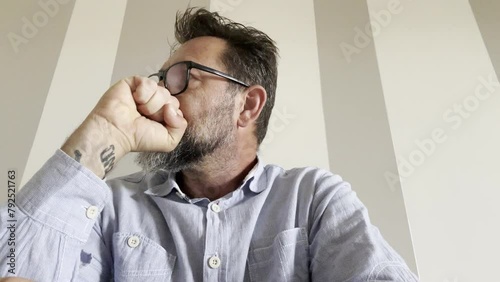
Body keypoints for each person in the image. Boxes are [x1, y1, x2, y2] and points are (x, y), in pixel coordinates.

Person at [0, 7, 418, 282]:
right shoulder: (110, 206)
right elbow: (13, 268)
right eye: (160, 78)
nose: (157, 93)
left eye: (183, 76)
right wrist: (104, 136)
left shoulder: (312, 199)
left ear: (247, 105)